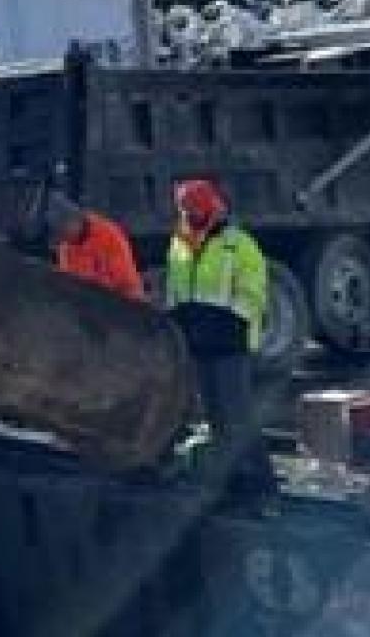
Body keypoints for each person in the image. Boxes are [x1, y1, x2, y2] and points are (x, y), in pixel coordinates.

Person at [164, 179, 277, 503]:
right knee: (215, 419)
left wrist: (222, 326)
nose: (189, 215)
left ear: (210, 208)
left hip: (229, 345)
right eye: (185, 210)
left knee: (237, 417)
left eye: (194, 209)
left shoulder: (238, 244)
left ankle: (263, 486)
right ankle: (234, 482)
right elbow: (176, 291)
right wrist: (178, 325)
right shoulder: (180, 243)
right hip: (198, 344)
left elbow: (253, 295)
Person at [43, 191, 145, 302]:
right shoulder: (65, 245)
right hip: (86, 305)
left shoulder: (109, 236)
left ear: (74, 220)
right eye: (60, 234)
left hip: (118, 303)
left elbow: (128, 285)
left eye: (64, 232)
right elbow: (68, 282)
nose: (63, 239)